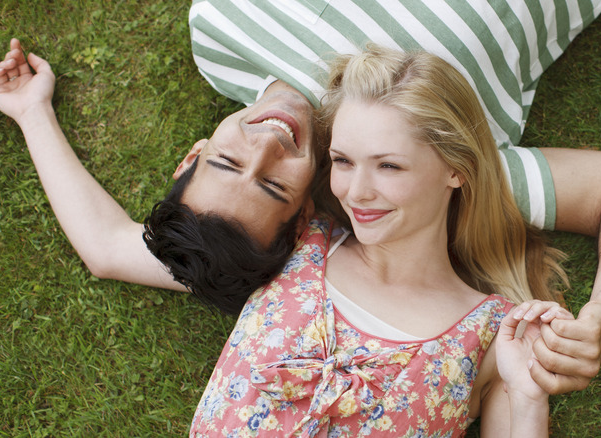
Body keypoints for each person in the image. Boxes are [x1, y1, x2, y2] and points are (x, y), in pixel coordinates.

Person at [0, 0, 601, 395]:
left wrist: (32, 110)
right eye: (273, 182)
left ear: (192, 154)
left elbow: (111, 247)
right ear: (309, 214)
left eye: (226, 160)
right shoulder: (425, 157)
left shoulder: (216, 34)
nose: (266, 142)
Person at [190, 44, 571, 437]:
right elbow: (150, 253)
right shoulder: (299, 241)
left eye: (388, 165)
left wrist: (528, 399)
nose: (356, 192)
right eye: (343, 161)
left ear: (457, 169)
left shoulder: (494, 334)